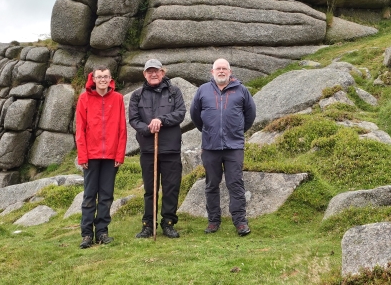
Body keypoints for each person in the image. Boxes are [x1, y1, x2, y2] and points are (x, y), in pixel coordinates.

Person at [189, 58, 256, 236]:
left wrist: (237, 132)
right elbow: (195, 115)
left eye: (224, 68)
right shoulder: (203, 90)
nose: (221, 71)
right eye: (218, 69)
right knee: (212, 184)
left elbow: (250, 115)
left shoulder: (241, 90)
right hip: (210, 147)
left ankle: (240, 222)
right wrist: (208, 131)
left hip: (234, 146)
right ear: (212, 72)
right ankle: (213, 221)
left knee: (235, 183)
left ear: (230, 71)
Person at [128, 59, 186, 239]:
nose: (153, 74)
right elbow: (134, 119)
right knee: (150, 189)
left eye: (157, 71)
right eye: (149, 71)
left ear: (163, 72)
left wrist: (161, 120)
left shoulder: (174, 91)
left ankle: (168, 223)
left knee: (171, 188)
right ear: (144, 74)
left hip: (170, 148)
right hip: (148, 149)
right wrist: (147, 129)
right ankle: (148, 224)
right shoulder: (137, 95)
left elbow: (180, 113)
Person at [75, 66, 127, 249]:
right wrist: (82, 155)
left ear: (110, 78)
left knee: (106, 195)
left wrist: (120, 154)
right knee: (89, 195)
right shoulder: (84, 98)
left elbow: (122, 129)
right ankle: (87, 234)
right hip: (91, 155)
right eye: (99, 77)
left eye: (106, 76)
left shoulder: (118, 99)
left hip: (111, 156)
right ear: (93, 79)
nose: (103, 79)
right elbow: (80, 129)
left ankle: (102, 232)